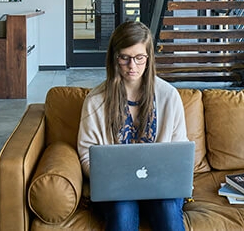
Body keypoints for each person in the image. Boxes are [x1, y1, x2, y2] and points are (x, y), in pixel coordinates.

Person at [77, 21, 188, 231]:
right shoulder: (95, 101)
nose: (132, 66)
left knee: (167, 209)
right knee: (122, 211)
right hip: (115, 188)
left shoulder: (169, 96)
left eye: (139, 58)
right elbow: (86, 154)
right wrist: (112, 179)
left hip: (161, 187)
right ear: (114, 58)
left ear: (149, 58)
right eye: (124, 58)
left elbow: (179, 152)